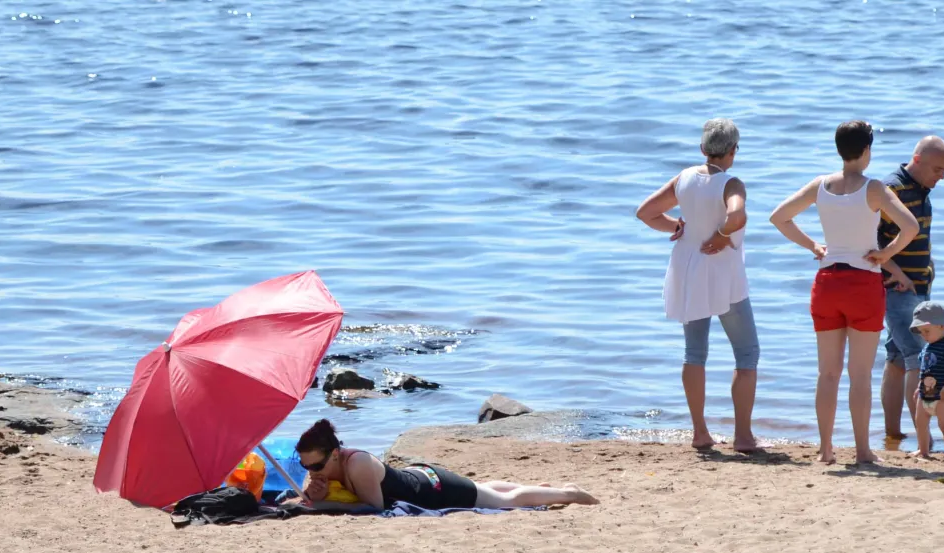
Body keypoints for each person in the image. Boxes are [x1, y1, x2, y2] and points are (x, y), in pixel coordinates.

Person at [768, 120, 919, 464]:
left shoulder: (820, 186)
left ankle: (825, 449)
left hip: (827, 284)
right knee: (860, 375)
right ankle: (863, 450)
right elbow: (910, 226)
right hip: (863, 284)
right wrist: (886, 254)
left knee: (827, 373)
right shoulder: (875, 189)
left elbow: (779, 217)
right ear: (866, 151)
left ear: (840, 149)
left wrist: (813, 246)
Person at [635, 118, 761, 452]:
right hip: (723, 275)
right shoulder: (731, 183)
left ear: (703, 149)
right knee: (747, 353)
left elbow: (645, 212)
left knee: (694, 352)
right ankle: (744, 437)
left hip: (689, 270)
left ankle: (700, 432)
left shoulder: (685, 178)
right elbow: (738, 216)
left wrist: (674, 226)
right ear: (733, 152)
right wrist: (721, 236)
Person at [287, 419, 598, 510]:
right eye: (306, 468)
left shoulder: (359, 465)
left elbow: (374, 507)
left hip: (433, 488)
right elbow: (312, 494)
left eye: (316, 467)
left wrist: (325, 507)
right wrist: (312, 490)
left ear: (336, 453)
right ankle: (540, 490)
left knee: (503, 501)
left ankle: (568, 494)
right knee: (484, 489)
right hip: (419, 477)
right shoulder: (328, 467)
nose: (312, 472)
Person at [878, 136, 944, 441]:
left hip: (919, 287)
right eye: (937, 169)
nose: (942, 176)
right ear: (917, 160)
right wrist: (896, 272)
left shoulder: (922, 190)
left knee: (896, 358)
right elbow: (870, 241)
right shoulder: (891, 189)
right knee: (916, 357)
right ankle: (925, 437)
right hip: (898, 288)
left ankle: (893, 434)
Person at [908, 302, 944, 461]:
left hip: (943, 396)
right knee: (921, 424)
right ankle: (923, 451)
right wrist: (919, 387)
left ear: (942, 326)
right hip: (925, 394)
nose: (923, 335)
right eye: (921, 332)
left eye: (926, 331)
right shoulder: (927, 347)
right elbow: (925, 371)